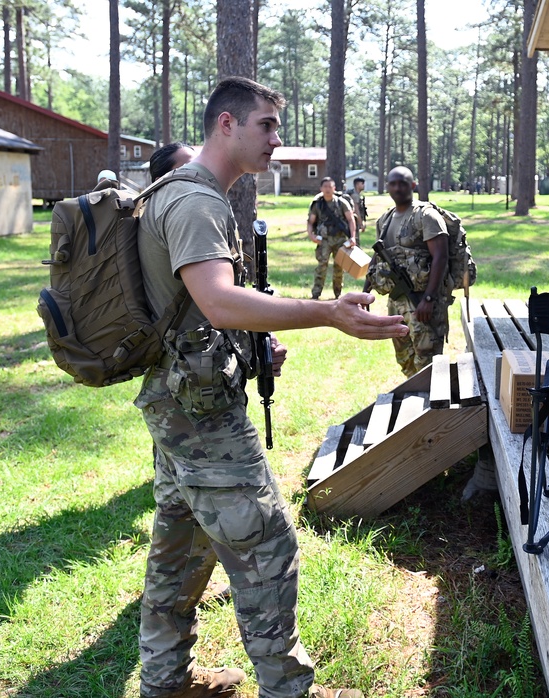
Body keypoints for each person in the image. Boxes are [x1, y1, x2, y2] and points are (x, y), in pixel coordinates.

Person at [135, 76, 405, 698]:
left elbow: (199, 310)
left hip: (179, 402)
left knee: (180, 545)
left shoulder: (186, 195)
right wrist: (329, 314)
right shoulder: (197, 201)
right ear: (226, 125)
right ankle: (288, 688)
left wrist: (255, 340)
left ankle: (165, 681)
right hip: (198, 418)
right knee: (266, 547)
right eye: (267, 127)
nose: (277, 143)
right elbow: (218, 301)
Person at [368, 166, 450, 377]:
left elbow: (441, 256)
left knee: (427, 361)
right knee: (405, 359)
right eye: (393, 183)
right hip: (396, 302)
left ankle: (432, 406)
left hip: (422, 301)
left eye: (402, 183)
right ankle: (413, 399)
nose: (397, 188)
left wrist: (429, 299)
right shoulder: (384, 220)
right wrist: (365, 293)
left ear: (413, 186)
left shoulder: (426, 216)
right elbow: (378, 257)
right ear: (387, 187)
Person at [308, 177, 357, 300]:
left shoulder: (341, 203)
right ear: (321, 189)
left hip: (340, 239)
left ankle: (337, 294)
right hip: (324, 240)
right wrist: (311, 236)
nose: (328, 189)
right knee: (321, 266)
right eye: (325, 187)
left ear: (334, 188)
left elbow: (351, 220)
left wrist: (353, 237)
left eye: (330, 187)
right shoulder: (318, 204)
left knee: (339, 267)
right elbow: (310, 221)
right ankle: (316, 293)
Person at [346, 177, 368, 245]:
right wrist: (361, 224)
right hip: (353, 220)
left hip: (351, 220)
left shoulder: (355, 194)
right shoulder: (355, 195)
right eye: (362, 183)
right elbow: (356, 210)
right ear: (357, 184)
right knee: (355, 241)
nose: (364, 185)